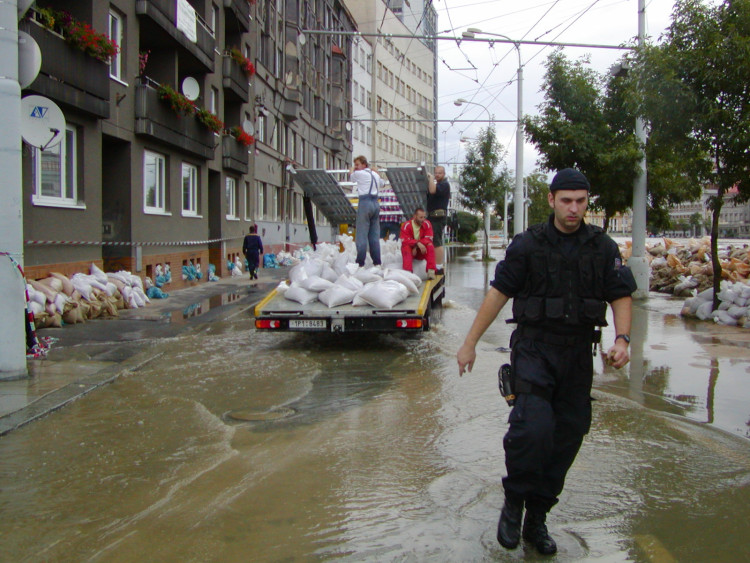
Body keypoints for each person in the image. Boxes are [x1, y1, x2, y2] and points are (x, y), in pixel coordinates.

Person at [456, 168, 636, 555]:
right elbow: (498, 293)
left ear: (587, 202)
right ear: (551, 200)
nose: (573, 209)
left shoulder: (602, 247)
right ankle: (515, 500)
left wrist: (622, 339)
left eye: (581, 201)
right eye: (566, 200)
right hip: (534, 351)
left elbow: (621, 294)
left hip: (577, 357)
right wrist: (469, 343)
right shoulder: (528, 245)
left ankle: (537, 518)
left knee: (567, 438)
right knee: (532, 430)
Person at [350, 156, 385, 267]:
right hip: (375, 203)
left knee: (361, 233)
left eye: (357, 164)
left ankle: (360, 262)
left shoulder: (359, 174)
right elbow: (382, 184)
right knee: (374, 235)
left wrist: (352, 169)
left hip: (365, 202)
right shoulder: (374, 174)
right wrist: (377, 172)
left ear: (364, 164)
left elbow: (351, 178)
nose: (356, 167)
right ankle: (377, 262)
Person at [400, 207, 436, 279]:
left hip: (421, 250)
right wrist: (417, 244)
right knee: (406, 247)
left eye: (424, 217)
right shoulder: (406, 225)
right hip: (411, 250)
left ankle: (431, 272)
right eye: (420, 217)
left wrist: (416, 246)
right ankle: (408, 273)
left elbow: (429, 239)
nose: (423, 219)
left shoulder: (427, 224)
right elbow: (404, 241)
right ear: (414, 216)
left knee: (430, 246)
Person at [427, 165, 450, 273]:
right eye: (435, 173)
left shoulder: (444, 185)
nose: (437, 175)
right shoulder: (439, 184)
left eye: (439, 173)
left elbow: (432, 191)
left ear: (444, 174)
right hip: (432, 216)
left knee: (437, 241)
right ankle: (435, 264)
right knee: (433, 240)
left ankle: (439, 266)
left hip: (438, 217)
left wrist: (431, 178)